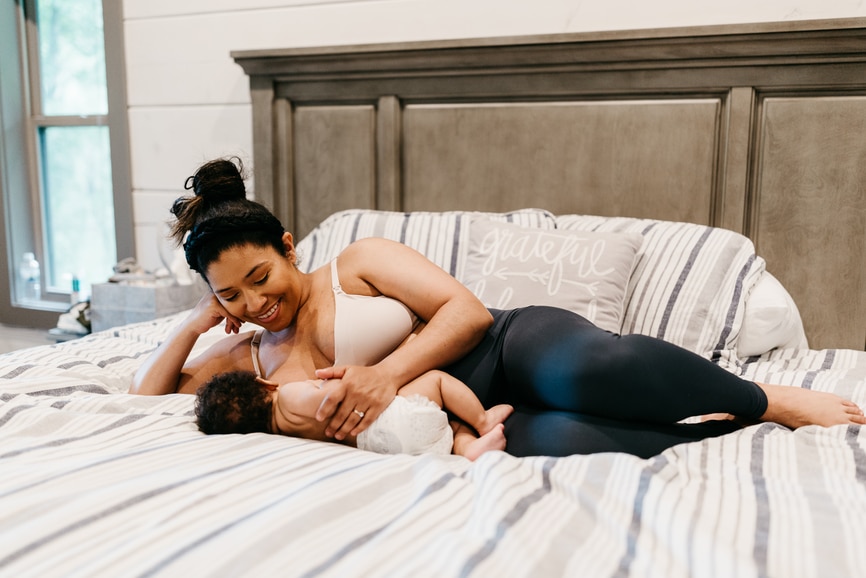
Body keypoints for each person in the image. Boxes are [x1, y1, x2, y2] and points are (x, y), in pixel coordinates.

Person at [131, 157, 866, 459]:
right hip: (475, 419)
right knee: (590, 443)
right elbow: (150, 396)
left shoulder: (354, 263)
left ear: (288, 246)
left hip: (507, 349)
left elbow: (467, 313)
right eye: (232, 294)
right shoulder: (247, 359)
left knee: (591, 372)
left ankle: (769, 395)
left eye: (261, 276)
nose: (256, 302)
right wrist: (198, 324)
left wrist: (385, 377)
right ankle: (736, 430)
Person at [195, 367, 514, 461]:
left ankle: (468, 448)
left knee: (452, 428)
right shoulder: (288, 395)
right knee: (435, 381)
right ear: (264, 385)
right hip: (398, 419)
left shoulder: (279, 435)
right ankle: (483, 420)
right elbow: (327, 400)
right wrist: (336, 381)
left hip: (384, 446)